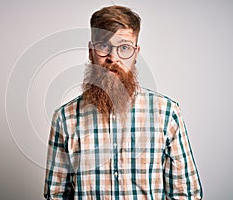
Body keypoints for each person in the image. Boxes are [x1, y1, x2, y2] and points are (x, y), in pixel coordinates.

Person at [44, 5, 203, 200]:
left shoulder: (167, 114)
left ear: (136, 53)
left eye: (124, 48)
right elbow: (56, 195)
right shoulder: (65, 118)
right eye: (103, 46)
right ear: (90, 51)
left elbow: (185, 194)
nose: (113, 58)